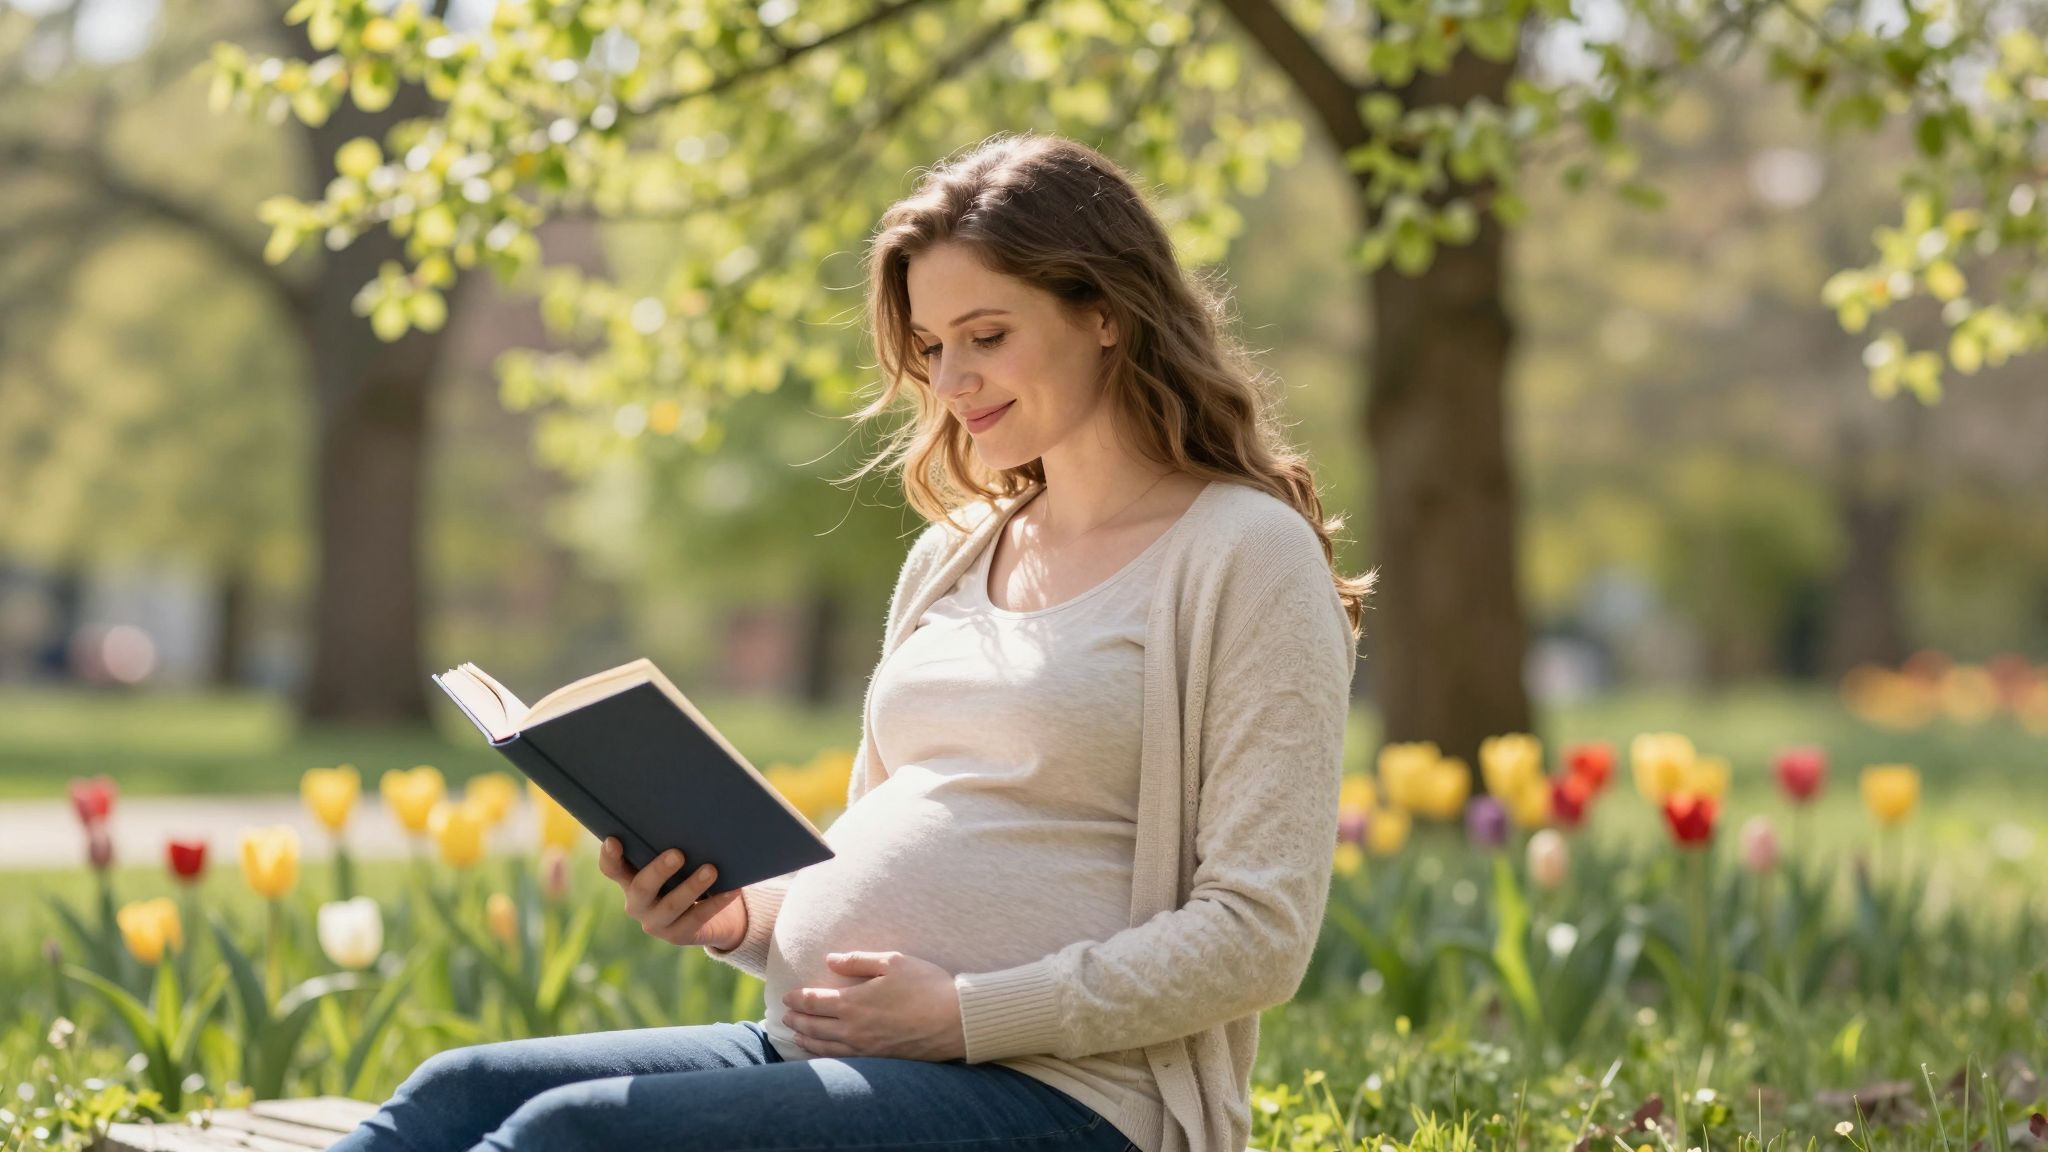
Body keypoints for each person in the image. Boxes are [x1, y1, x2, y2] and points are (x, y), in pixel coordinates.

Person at [330, 131, 1368, 1152]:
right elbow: (873, 844)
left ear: (1105, 312)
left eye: (986, 336)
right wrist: (739, 918)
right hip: (834, 1054)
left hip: (1070, 1096)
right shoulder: (954, 553)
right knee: (455, 1091)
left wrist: (966, 1015)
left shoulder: (1243, 554)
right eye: (931, 347)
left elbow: (1258, 936)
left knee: (573, 1135)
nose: (950, 382)